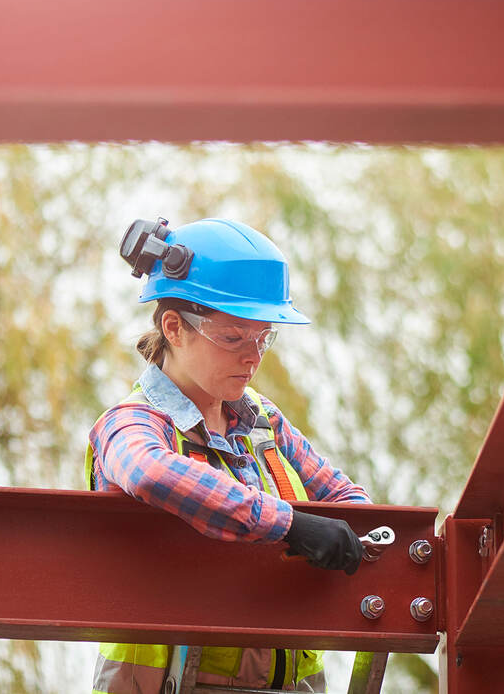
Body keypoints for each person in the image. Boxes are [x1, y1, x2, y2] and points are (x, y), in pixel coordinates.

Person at [87, 217, 369, 694]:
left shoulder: (261, 420)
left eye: (263, 338)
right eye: (234, 338)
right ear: (174, 328)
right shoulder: (130, 424)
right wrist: (290, 525)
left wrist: (368, 536)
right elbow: (150, 472)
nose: (252, 358)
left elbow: (341, 494)